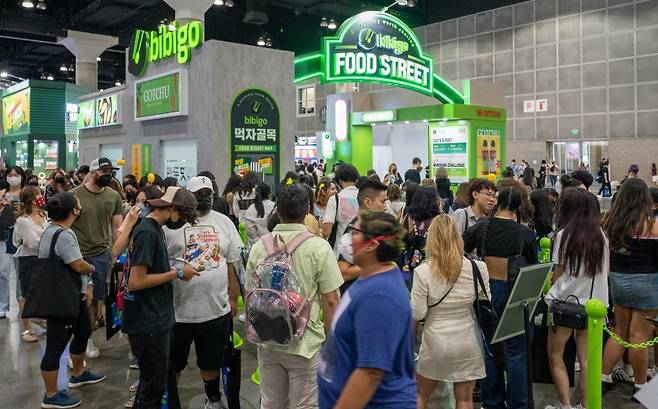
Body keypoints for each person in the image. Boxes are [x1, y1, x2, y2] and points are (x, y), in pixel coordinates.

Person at [246, 182, 342, 409]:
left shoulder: (260, 246)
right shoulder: (319, 247)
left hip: (268, 339)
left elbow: (250, 292)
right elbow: (331, 300)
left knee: (270, 402)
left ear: (277, 210)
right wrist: (332, 342)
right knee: (305, 405)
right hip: (305, 344)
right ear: (307, 210)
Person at [318, 211, 416, 409]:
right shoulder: (370, 276)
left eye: (355, 232)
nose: (348, 238)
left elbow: (370, 373)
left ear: (372, 245)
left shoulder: (380, 296)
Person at [164, 176, 242, 409]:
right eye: (198, 194)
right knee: (174, 363)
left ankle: (213, 398)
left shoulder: (224, 222)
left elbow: (232, 261)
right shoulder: (172, 225)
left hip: (215, 309)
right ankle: (171, 398)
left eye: (207, 193)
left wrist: (234, 296)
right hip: (178, 311)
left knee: (211, 360)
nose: (203, 198)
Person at [122, 186, 200, 409]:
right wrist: (176, 273)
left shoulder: (155, 229)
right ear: (172, 209)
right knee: (152, 391)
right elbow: (136, 281)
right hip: (148, 323)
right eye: (183, 215)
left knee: (151, 386)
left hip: (156, 318)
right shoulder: (148, 232)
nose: (183, 221)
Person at [463, 187, 538, 409]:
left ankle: (492, 401)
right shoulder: (524, 233)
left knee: (489, 349)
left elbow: (460, 248)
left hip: (486, 291)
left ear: (499, 202)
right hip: (515, 291)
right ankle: (519, 403)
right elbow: (533, 264)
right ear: (517, 206)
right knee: (517, 351)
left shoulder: (482, 227)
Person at [412, 215, 489, 409]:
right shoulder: (478, 268)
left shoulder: (423, 272)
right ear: (458, 236)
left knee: (420, 395)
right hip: (468, 341)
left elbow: (418, 312)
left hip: (436, 342)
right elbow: (486, 301)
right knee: (464, 399)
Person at [39, 192, 105, 409]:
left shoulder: (55, 231)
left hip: (72, 295)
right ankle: (51, 395)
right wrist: (93, 268)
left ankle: (78, 373)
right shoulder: (64, 235)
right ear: (75, 210)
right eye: (79, 203)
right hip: (62, 299)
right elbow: (78, 264)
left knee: (84, 330)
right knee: (55, 346)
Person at [544, 188, 609, 409]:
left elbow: (558, 272)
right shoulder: (602, 236)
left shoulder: (564, 235)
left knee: (556, 355)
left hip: (566, 305)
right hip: (594, 307)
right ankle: (586, 405)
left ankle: (565, 405)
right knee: (587, 361)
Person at [601, 178, 658, 397]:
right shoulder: (652, 223)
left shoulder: (609, 221)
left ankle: (603, 375)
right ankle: (642, 386)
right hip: (647, 281)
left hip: (618, 280)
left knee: (619, 332)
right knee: (639, 336)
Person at [70, 158, 123, 357]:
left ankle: (87, 339)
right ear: (92, 173)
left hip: (101, 255)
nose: (108, 175)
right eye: (103, 171)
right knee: (78, 299)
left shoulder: (113, 196)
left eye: (110, 171)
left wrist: (116, 253)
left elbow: (117, 227)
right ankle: (76, 341)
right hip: (77, 255)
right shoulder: (74, 195)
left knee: (95, 300)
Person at [336, 179, 388, 293]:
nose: (385, 207)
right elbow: (343, 272)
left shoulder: (371, 228)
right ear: (368, 202)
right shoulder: (354, 232)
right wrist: (378, 263)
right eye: (383, 202)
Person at [13, 185, 48, 343]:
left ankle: (40, 318)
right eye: (38, 195)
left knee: (42, 291)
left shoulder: (44, 214)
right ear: (31, 200)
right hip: (28, 259)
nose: (42, 197)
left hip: (43, 259)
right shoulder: (23, 220)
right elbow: (32, 243)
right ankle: (26, 328)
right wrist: (49, 240)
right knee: (25, 294)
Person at [400, 187, 442, 288]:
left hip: (410, 266)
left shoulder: (409, 217)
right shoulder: (439, 220)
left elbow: (401, 240)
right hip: (433, 267)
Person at [0, 165, 25, 320]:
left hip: (22, 238)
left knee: (21, 272)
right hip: (3, 236)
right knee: (2, 271)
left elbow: (39, 210)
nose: (13, 177)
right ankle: (2, 305)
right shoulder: (2, 193)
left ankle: (23, 304)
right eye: (10, 174)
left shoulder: (28, 193)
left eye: (16, 174)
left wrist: (22, 207)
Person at [323, 164, 360, 250]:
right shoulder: (364, 197)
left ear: (339, 180)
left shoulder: (335, 199)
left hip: (340, 251)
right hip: (360, 250)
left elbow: (326, 231)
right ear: (356, 179)